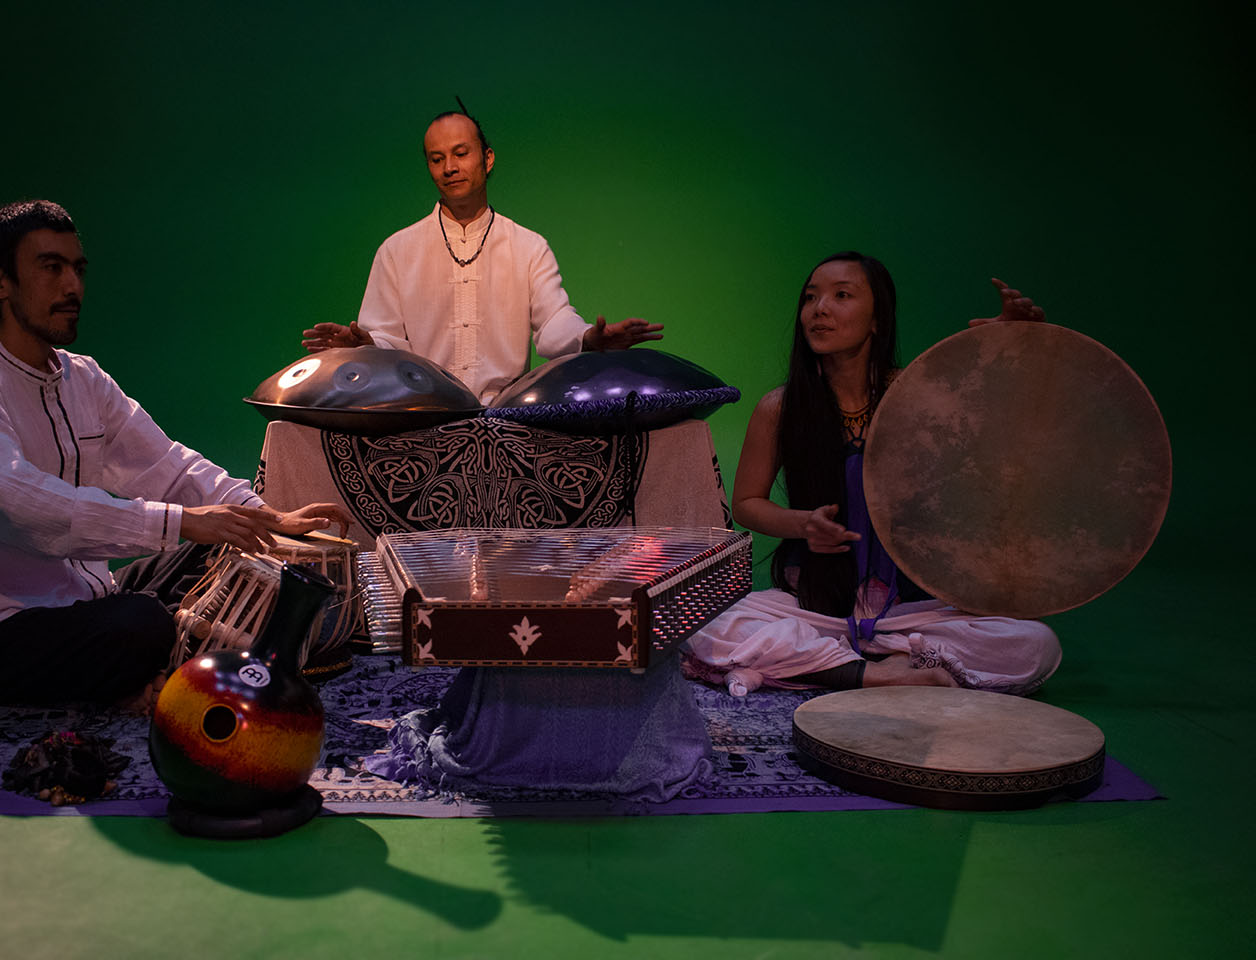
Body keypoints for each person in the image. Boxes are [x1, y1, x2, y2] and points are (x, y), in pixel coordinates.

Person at [0, 199, 353, 706]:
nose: (72, 286)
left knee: (228, 544)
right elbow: (26, 508)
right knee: (141, 622)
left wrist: (265, 516)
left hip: (85, 599)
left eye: (77, 269)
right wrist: (183, 520)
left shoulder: (84, 377)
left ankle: (142, 675)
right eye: (51, 268)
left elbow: (169, 466)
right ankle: (141, 672)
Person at [683, 252, 1062, 697]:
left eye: (841, 295)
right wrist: (803, 525)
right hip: (817, 605)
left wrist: (1006, 351)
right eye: (810, 298)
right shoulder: (780, 407)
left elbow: (997, 443)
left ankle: (855, 661)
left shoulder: (917, 394)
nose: (819, 309)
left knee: (1037, 644)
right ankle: (885, 672)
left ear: (878, 319)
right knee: (705, 623)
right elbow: (748, 503)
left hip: (914, 607)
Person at [301, 106, 664, 403]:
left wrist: (589, 338)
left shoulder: (528, 246)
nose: (449, 168)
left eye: (461, 154)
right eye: (437, 159)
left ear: (487, 158)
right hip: (422, 418)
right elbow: (387, 341)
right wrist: (365, 345)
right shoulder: (397, 251)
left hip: (508, 419)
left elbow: (554, 322)